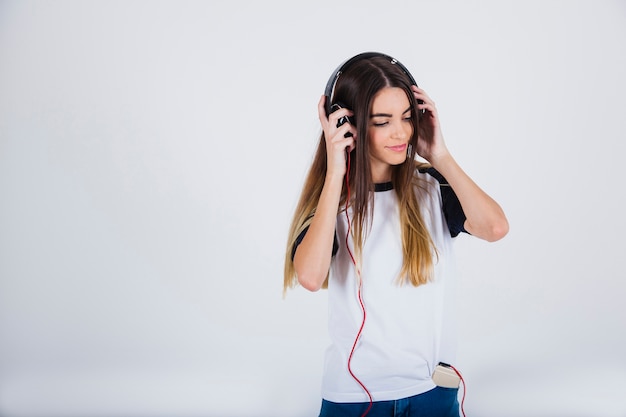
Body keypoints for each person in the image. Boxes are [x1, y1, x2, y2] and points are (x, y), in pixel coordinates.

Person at [283, 52, 508, 417]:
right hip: (354, 398)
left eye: (407, 117)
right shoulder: (332, 206)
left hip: (431, 392)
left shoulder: (432, 189)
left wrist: (440, 155)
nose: (401, 132)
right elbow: (309, 276)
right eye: (382, 121)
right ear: (346, 125)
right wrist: (336, 171)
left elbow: (495, 227)